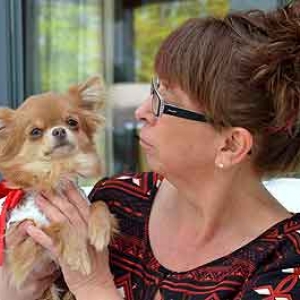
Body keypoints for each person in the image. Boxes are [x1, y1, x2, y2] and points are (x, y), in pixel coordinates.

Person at [2, 2, 300, 299]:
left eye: (163, 102)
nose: (142, 111)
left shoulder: (285, 265)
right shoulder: (119, 200)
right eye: (152, 91)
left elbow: (87, 282)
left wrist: (93, 285)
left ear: (231, 145)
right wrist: (18, 287)